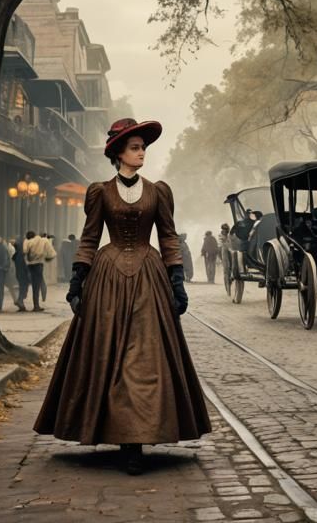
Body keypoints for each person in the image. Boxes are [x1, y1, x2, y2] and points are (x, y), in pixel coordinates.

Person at [35, 117, 210, 475]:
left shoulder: (158, 191)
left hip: (149, 277)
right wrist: (77, 281)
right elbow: (89, 238)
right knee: (107, 356)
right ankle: (118, 432)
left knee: (144, 358)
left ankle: (136, 441)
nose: (142, 152)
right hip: (108, 279)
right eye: (135, 147)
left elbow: (169, 237)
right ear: (119, 153)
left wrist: (177, 280)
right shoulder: (100, 191)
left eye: (143, 147)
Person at [22, 230, 55, 312]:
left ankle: (31, 303)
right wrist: (47, 258)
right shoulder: (44, 240)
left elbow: (24, 251)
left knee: (32, 284)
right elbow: (52, 254)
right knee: (37, 285)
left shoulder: (27, 241)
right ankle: (36, 305)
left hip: (29, 265)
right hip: (39, 265)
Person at [11, 233, 28, 311]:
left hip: (19, 273)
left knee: (22, 287)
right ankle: (20, 301)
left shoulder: (16, 254)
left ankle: (21, 303)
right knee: (23, 287)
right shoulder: (22, 255)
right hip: (23, 273)